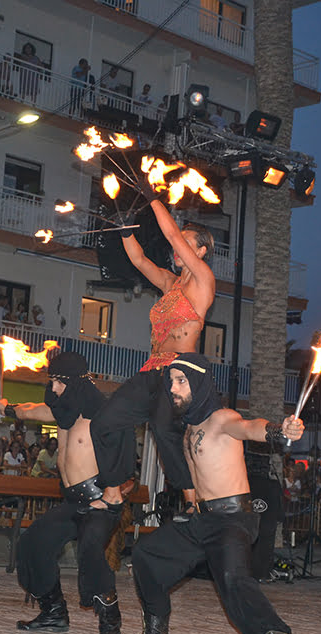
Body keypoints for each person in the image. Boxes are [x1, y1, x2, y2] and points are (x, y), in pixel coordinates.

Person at [117, 353, 305, 634]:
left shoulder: (221, 418)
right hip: (201, 519)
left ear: (200, 383)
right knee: (147, 555)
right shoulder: (190, 426)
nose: (173, 388)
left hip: (232, 519)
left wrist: (279, 430)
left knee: (234, 582)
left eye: (181, 381)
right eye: (171, 381)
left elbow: (249, 428)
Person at [0, 351, 134, 634]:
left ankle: (111, 631)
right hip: (74, 503)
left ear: (74, 382)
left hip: (100, 502)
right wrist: (8, 409)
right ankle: (54, 613)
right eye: (52, 382)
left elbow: (123, 453)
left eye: (58, 382)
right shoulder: (64, 410)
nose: (53, 388)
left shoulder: (103, 413)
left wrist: (111, 497)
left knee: (91, 554)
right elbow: (32, 410)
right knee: (34, 543)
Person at [89, 200, 215, 512]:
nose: (179, 244)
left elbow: (171, 235)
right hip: (152, 368)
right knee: (104, 421)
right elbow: (139, 259)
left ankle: (190, 499)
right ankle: (117, 486)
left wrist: (153, 200)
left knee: (162, 428)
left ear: (200, 252)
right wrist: (126, 227)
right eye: (180, 239)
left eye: (188, 241)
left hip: (182, 370)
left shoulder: (203, 279)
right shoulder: (171, 283)